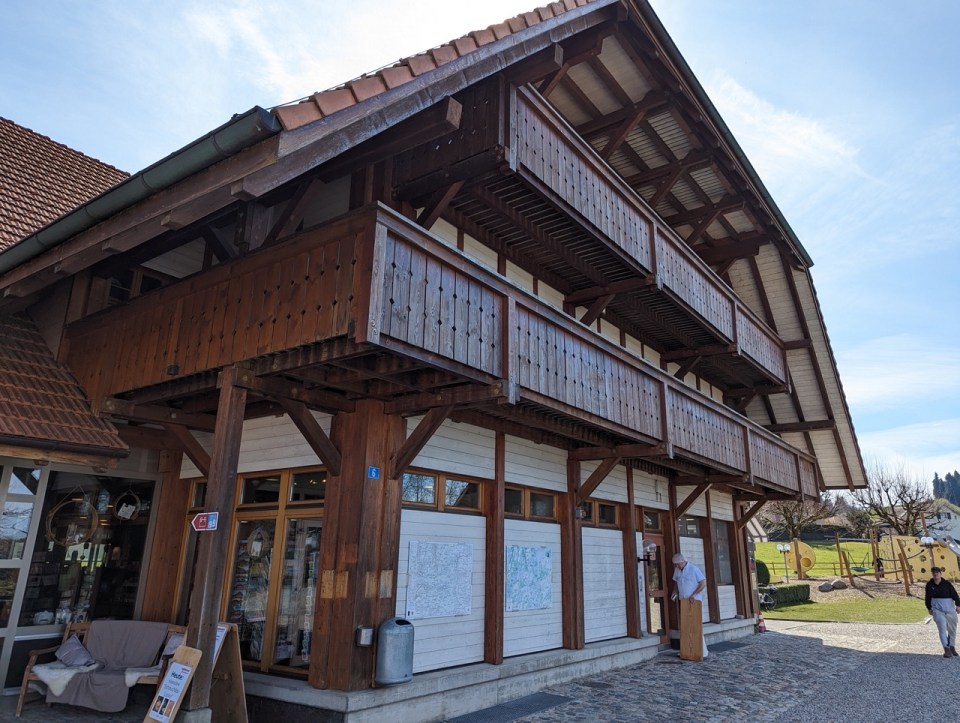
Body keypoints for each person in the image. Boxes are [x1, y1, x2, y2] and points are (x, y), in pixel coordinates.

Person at [671, 552, 708, 658]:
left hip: (694, 600)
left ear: (683, 561)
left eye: (678, 563)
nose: (677, 566)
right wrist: (674, 592)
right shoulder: (677, 570)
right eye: (676, 564)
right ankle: (686, 650)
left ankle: (701, 651)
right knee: (685, 626)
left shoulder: (694, 569)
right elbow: (676, 583)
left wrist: (694, 594)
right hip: (683, 601)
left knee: (695, 625)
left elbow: (703, 583)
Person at [924, 566, 960, 658]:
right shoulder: (929, 585)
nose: (936, 574)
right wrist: (929, 608)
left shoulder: (947, 584)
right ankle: (946, 649)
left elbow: (955, 595)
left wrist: (958, 605)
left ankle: (952, 646)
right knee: (942, 628)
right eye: (934, 573)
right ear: (932, 574)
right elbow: (927, 597)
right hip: (937, 609)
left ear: (940, 573)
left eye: (937, 572)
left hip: (949, 608)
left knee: (952, 629)